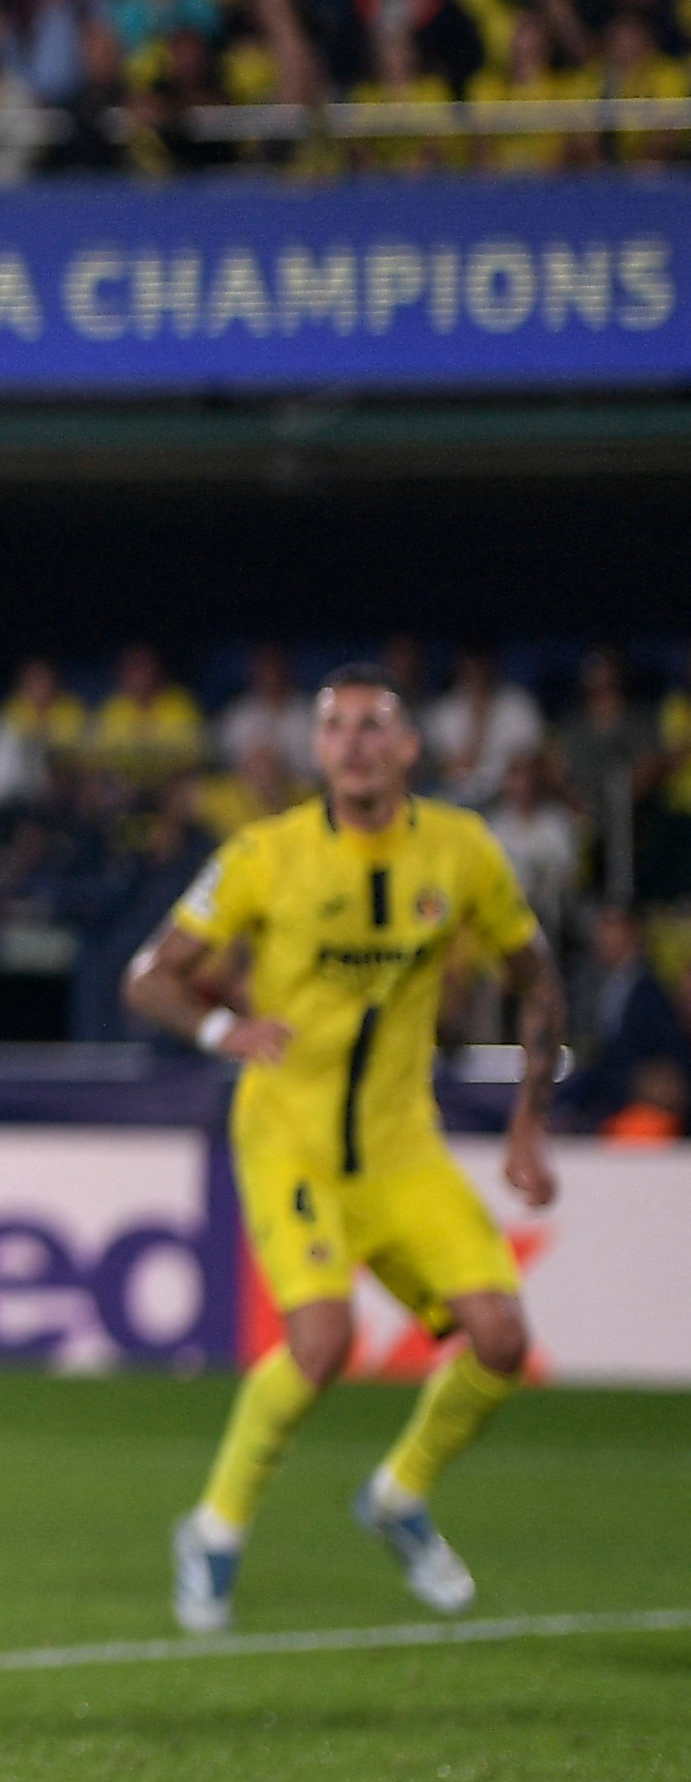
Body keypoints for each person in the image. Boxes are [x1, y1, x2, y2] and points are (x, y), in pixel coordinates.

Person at [128, 670, 563, 1630]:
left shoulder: (460, 852)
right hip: (289, 1139)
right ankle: (213, 1529)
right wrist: (218, 1033)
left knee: (501, 1339)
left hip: (401, 1146)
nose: (354, 743)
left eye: (374, 726)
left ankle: (399, 1496)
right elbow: (149, 977)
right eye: (335, 728)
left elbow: (537, 980)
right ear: (314, 751)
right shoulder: (264, 855)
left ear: (411, 749)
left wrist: (529, 1120)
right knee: (321, 1342)